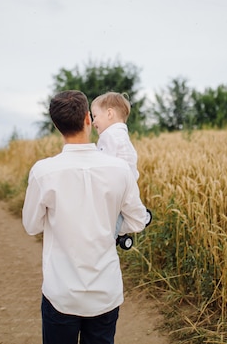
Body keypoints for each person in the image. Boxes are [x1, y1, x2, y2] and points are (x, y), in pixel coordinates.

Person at [22, 90, 148, 344]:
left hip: (61, 293)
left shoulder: (43, 172)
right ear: (88, 120)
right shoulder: (120, 169)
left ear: (57, 126)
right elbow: (137, 221)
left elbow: (31, 226)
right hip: (105, 291)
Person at [90, 92, 152, 250]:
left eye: (95, 115)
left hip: (116, 191)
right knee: (117, 221)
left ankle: (111, 243)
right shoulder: (121, 136)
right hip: (125, 189)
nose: (93, 121)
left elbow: (104, 164)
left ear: (109, 113)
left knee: (108, 230)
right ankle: (139, 220)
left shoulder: (109, 136)